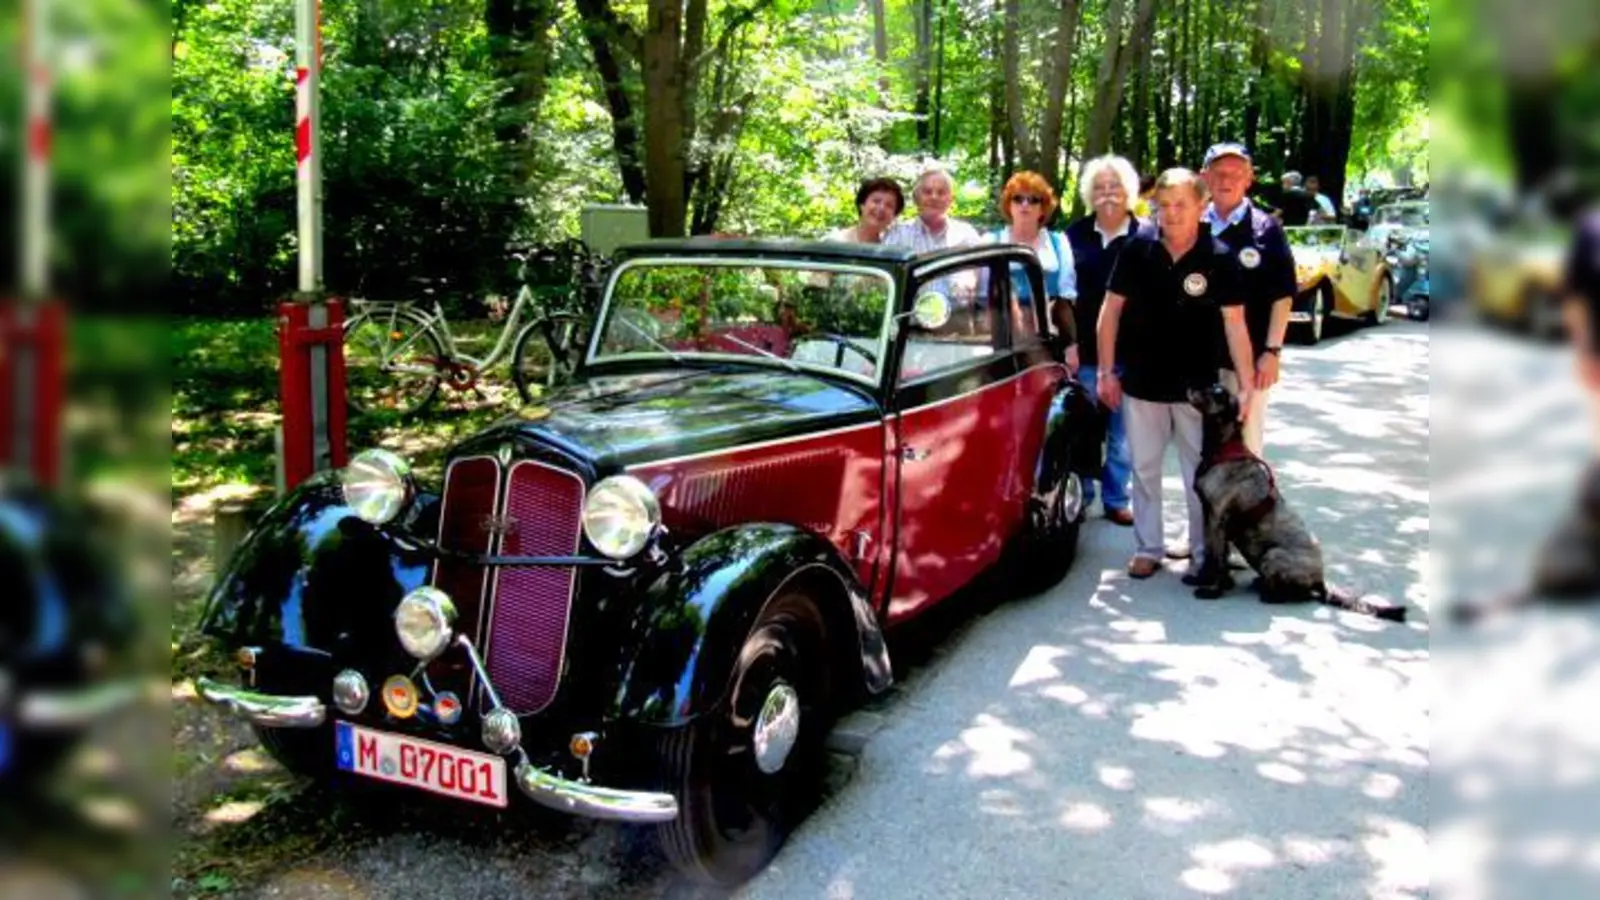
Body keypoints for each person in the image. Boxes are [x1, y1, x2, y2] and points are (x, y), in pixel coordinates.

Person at [1095, 168, 1257, 581]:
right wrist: (1107, 372)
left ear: (1202, 207)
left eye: (1181, 205)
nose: (1170, 213)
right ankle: (1149, 548)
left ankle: (1204, 553)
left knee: (1197, 476)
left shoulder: (1219, 257)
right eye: (1163, 205)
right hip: (1143, 383)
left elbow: (1235, 325)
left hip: (1198, 389)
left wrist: (1249, 385)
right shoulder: (1136, 250)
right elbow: (1109, 313)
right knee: (1145, 469)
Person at [1200, 142, 1297, 461]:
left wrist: (1272, 351)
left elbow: (1282, 296)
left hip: (1245, 363)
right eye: (1219, 173)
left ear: (1248, 179)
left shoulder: (1265, 229)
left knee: (1244, 448)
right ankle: (1206, 513)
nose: (1226, 180)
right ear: (1205, 177)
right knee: (1200, 451)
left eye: (1235, 174)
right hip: (1196, 362)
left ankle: (1248, 511)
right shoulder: (1190, 223)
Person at [1065, 154, 1142, 526]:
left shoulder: (1146, 235)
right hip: (1085, 352)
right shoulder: (1073, 235)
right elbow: (1063, 295)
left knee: (1122, 437)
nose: (1107, 194)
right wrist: (1069, 345)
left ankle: (1115, 498)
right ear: (1088, 194)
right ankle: (1082, 495)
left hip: (1132, 352)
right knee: (1082, 431)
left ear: (1128, 192)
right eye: (1099, 187)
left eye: (1115, 187)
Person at [984, 170, 1078, 359]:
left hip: (1050, 338)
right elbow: (981, 299)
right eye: (1018, 199)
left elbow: (1064, 301)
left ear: (1043, 209)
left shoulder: (1058, 243)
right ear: (1009, 206)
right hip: (1002, 341)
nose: (1025, 204)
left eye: (1034, 200)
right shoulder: (990, 242)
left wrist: (1071, 346)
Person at [886, 164, 983, 252]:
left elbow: (982, 268)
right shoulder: (899, 234)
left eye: (941, 192)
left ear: (950, 200)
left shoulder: (965, 234)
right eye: (927, 192)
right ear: (916, 198)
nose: (934, 197)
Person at [827, 177, 905, 244]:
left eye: (889, 205)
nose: (881, 208)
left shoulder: (892, 249)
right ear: (862, 205)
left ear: (894, 216)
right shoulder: (835, 241)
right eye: (876, 201)